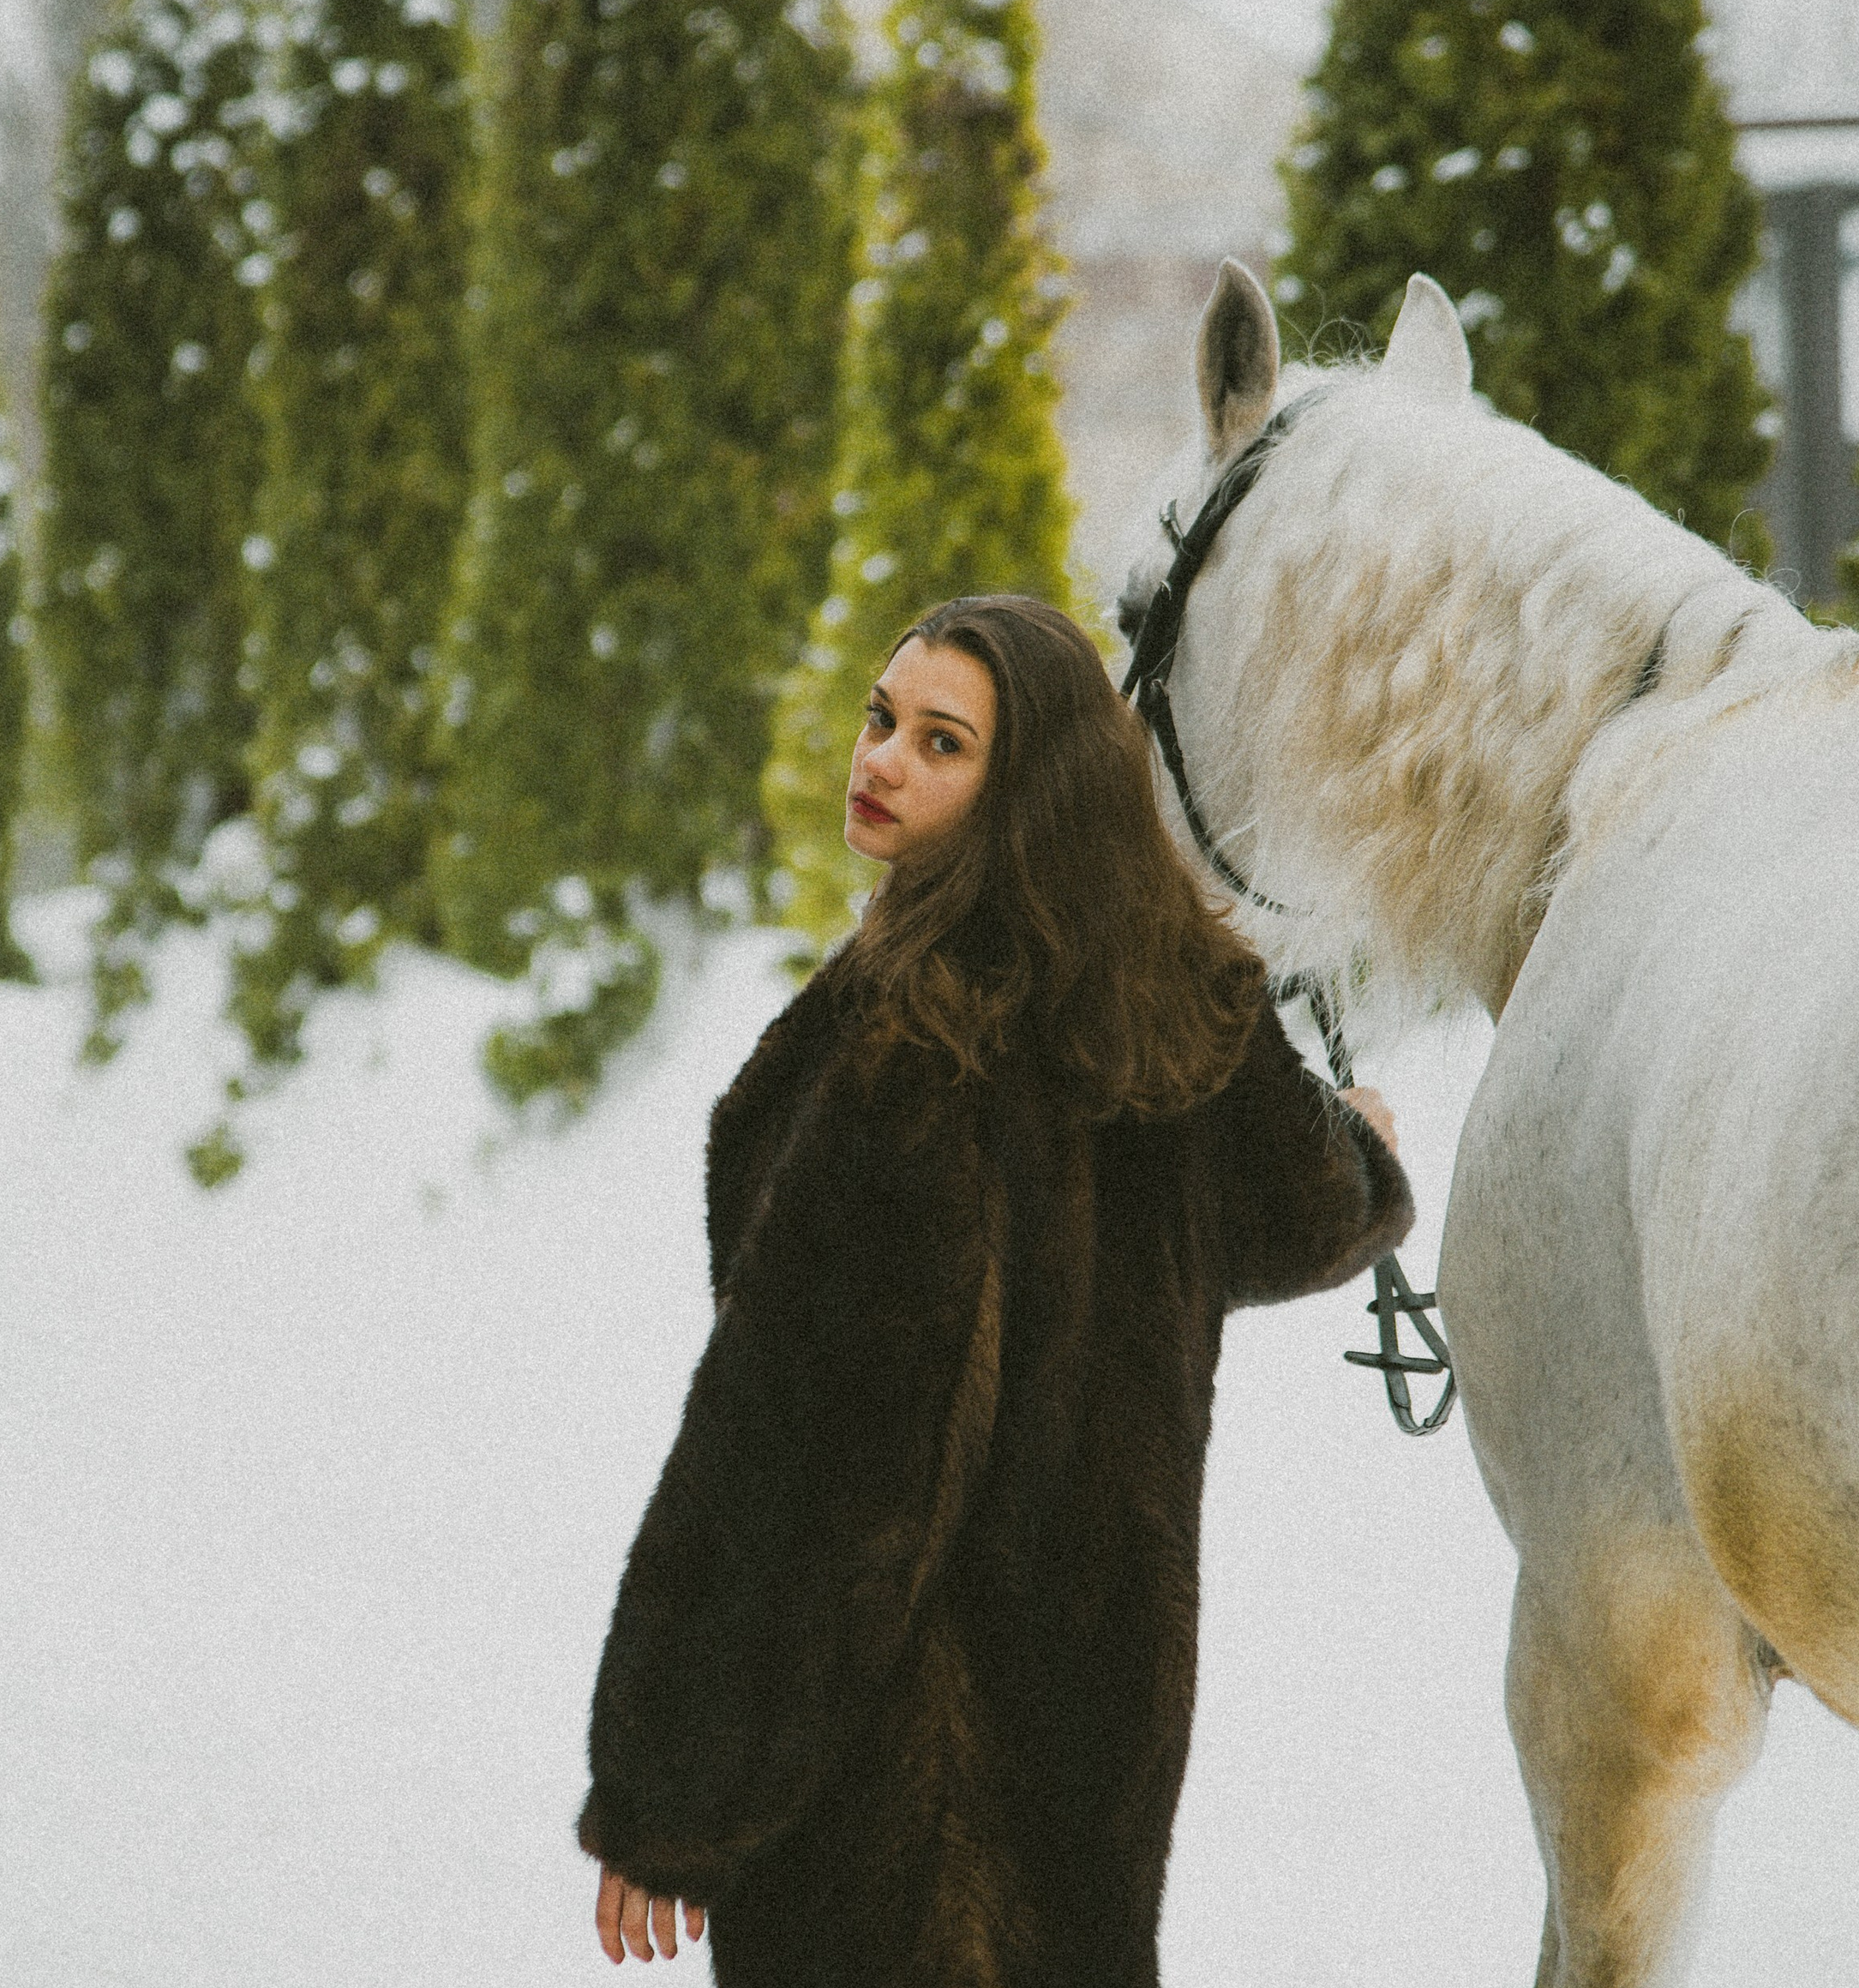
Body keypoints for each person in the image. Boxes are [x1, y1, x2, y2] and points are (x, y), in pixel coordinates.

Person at [578, 596, 1410, 1985]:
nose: (884, 758)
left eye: (942, 741)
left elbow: (806, 1472)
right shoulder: (1176, 1017)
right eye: (881, 718)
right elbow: (1295, 1209)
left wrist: (676, 1791)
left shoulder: (908, 1062)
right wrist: (1365, 1152)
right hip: (1089, 1774)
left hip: (898, 1801)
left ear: (1027, 793)